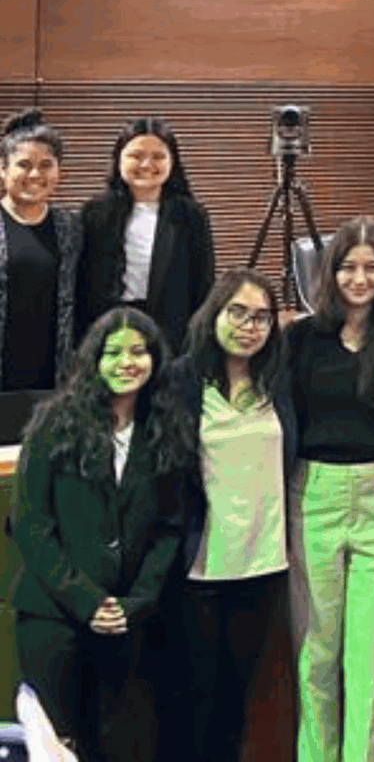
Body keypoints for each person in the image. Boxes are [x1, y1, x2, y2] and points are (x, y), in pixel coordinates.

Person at [12, 306, 192, 762]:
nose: (126, 362)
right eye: (113, 352)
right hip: (54, 614)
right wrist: (86, 600)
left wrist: (135, 603)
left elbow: (170, 528)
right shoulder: (53, 424)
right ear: (94, 359)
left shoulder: (166, 430)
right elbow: (31, 525)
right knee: (57, 746)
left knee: (116, 743)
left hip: (127, 619)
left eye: (139, 352)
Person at [286, 216, 374, 762]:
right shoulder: (300, 340)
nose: (359, 278)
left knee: (370, 653)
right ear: (329, 272)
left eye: (371, 267)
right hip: (313, 494)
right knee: (316, 652)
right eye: (348, 267)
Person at [167, 268, 295, 762]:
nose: (250, 325)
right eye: (238, 312)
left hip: (261, 564)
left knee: (236, 700)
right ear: (214, 314)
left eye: (262, 317)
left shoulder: (278, 381)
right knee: (189, 700)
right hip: (198, 566)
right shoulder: (181, 379)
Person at [77, 117, 215, 352]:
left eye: (158, 156)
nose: (146, 164)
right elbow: (81, 283)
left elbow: (203, 284)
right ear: (119, 159)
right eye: (136, 156)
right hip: (108, 329)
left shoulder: (190, 215)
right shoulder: (94, 213)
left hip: (171, 334)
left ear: (173, 162)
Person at [1, 110, 80, 412]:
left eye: (46, 165)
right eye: (24, 165)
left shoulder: (70, 228)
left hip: (51, 379)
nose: (35, 175)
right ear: (3, 169)